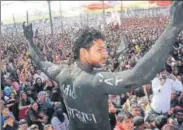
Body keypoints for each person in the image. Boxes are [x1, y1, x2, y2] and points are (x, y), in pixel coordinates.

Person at [22, 2, 183, 130]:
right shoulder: (96, 79)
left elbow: (41, 62)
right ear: (84, 53)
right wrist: (173, 28)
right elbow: (138, 76)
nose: (105, 54)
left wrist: (29, 41)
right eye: (99, 49)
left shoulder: (61, 72)